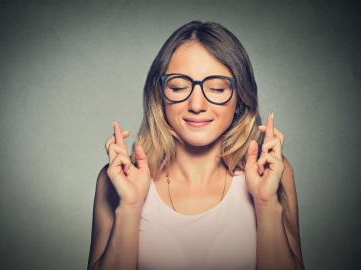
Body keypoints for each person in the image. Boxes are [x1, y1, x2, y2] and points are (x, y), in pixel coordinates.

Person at [87, 20, 305, 270]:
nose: (197, 105)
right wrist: (129, 206)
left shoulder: (273, 173)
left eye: (217, 88)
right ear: (159, 95)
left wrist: (266, 205)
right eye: (179, 87)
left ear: (241, 98)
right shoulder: (117, 180)